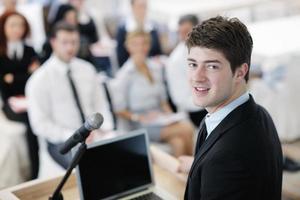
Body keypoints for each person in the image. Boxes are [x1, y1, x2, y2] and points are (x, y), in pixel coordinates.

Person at [183, 16, 282, 200]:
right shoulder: (258, 113)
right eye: (193, 64)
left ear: (240, 72)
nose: (197, 76)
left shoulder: (225, 158)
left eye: (212, 66)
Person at [26, 22, 113, 169]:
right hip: (62, 141)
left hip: (94, 134)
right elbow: (40, 124)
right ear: (53, 42)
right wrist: (75, 136)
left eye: (74, 42)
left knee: (123, 155)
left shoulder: (87, 69)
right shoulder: (38, 80)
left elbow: (100, 104)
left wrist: (103, 129)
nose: (70, 48)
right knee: (89, 167)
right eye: (64, 42)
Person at [112, 30, 194, 157]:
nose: (140, 47)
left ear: (149, 45)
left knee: (179, 142)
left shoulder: (155, 68)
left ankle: (185, 176)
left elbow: (163, 100)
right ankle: (196, 174)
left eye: (144, 43)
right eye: (136, 44)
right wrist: (138, 117)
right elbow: (119, 109)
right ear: (128, 46)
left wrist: (170, 116)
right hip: (140, 123)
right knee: (187, 128)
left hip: (160, 119)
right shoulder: (124, 75)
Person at [0, 10, 39, 179]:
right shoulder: (1, 52)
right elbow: (3, 83)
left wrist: (13, 78)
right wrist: (25, 74)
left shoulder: (30, 50)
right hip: (10, 103)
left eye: (21, 25)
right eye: (13, 25)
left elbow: (36, 76)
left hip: (31, 99)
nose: (18, 29)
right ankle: (33, 174)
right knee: (31, 126)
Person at [165, 14, 206, 127]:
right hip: (194, 110)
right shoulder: (175, 60)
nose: (184, 37)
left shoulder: (208, 49)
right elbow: (180, 99)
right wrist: (210, 100)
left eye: (187, 31)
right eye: (181, 33)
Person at [116, 0, 162, 67]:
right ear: (132, 7)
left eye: (145, 6)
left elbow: (158, 54)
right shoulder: (123, 29)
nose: (142, 10)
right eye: (140, 6)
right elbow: (120, 57)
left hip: (151, 69)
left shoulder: (153, 28)